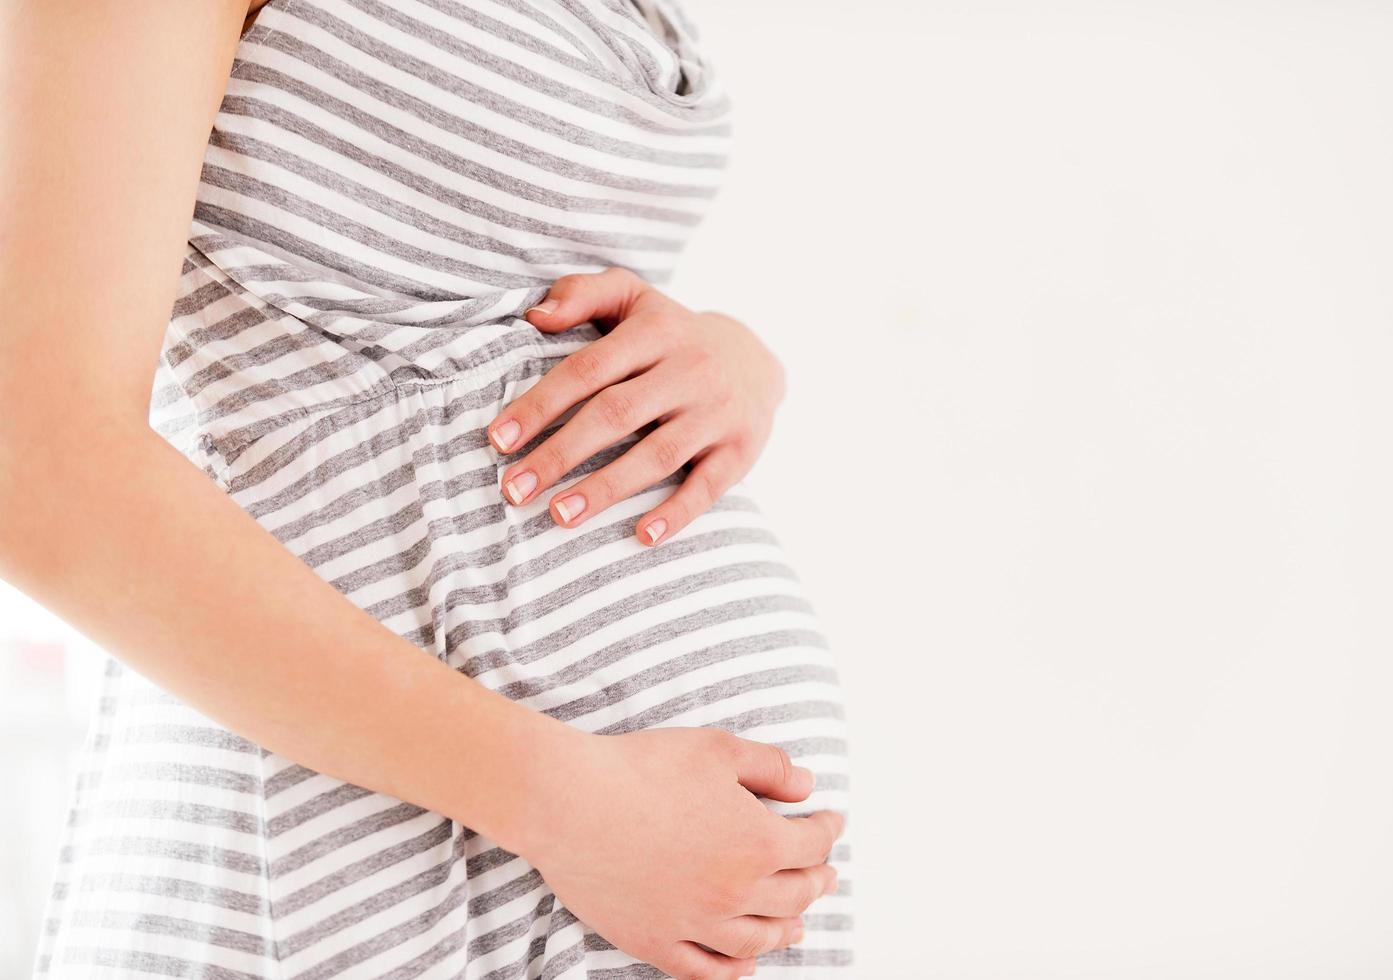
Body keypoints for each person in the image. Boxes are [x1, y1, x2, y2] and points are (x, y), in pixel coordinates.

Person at [0, 0, 853, 977]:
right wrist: (567, 804)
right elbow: (35, 459)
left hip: (623, 862)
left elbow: (467, 311)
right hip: (377, 853)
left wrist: (729, 360)